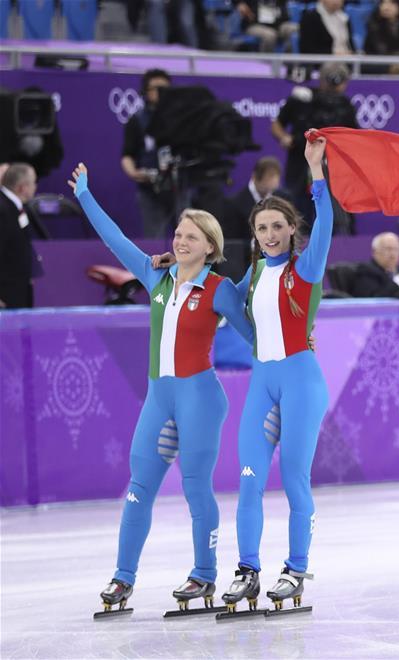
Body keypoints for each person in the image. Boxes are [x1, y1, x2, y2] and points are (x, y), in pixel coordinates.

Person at [68, 162, 254, 616]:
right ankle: (122, 578)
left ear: (210, 246)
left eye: (190, 236)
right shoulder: (156, 277)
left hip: (200, 399)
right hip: (159, 397)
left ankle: (203, 575)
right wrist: (86, 196)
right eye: (177, 233)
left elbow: (257, 337)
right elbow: (115, 240)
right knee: (139, 487)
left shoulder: (219, 289)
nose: (178, 240)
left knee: (194, 487)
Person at [220, 133, 334, 615]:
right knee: (249, 477)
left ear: (291, 230)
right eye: (261, 227)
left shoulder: (303, 270)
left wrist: (316, 171)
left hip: (301, 384)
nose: (268, 234)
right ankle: (248, 571)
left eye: (277, 226)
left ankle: (295, 568)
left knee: (294, 479)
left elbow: (326, 220)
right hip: (262, 383)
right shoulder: (251, 277)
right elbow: (222, 300)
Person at [271, 62, 358, 231]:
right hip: (301, 164)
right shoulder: (302, 99)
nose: (335, 88)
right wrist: (285, 138)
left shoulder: (345, 106)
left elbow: (354, 136)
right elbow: (277, 124)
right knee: (299, 214)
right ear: (322, 80)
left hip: (332, 169)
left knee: (335, 219)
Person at [121, 68, 177, 238]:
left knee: (189, 236)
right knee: (155, 240)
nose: (160, 93)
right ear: (146, 91)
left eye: (165, 89)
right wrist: (133, 172)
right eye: (155, 88)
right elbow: (127, 154)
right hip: (150, 188)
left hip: (179, 187)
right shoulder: (137, 120)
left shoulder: (181, 118)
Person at [0, 163, 44, 309]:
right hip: (5, 296)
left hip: (18, 292)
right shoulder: (3, 210)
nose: (35, 186)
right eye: (33, 182)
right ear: (22, 187)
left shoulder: (15, 207)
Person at [221, 157, 291, 240]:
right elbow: (234, 241)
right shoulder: (234, 203)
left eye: (277, 177)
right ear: (255, 177)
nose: (275, 181)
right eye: (270, 176)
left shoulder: (284, 198)